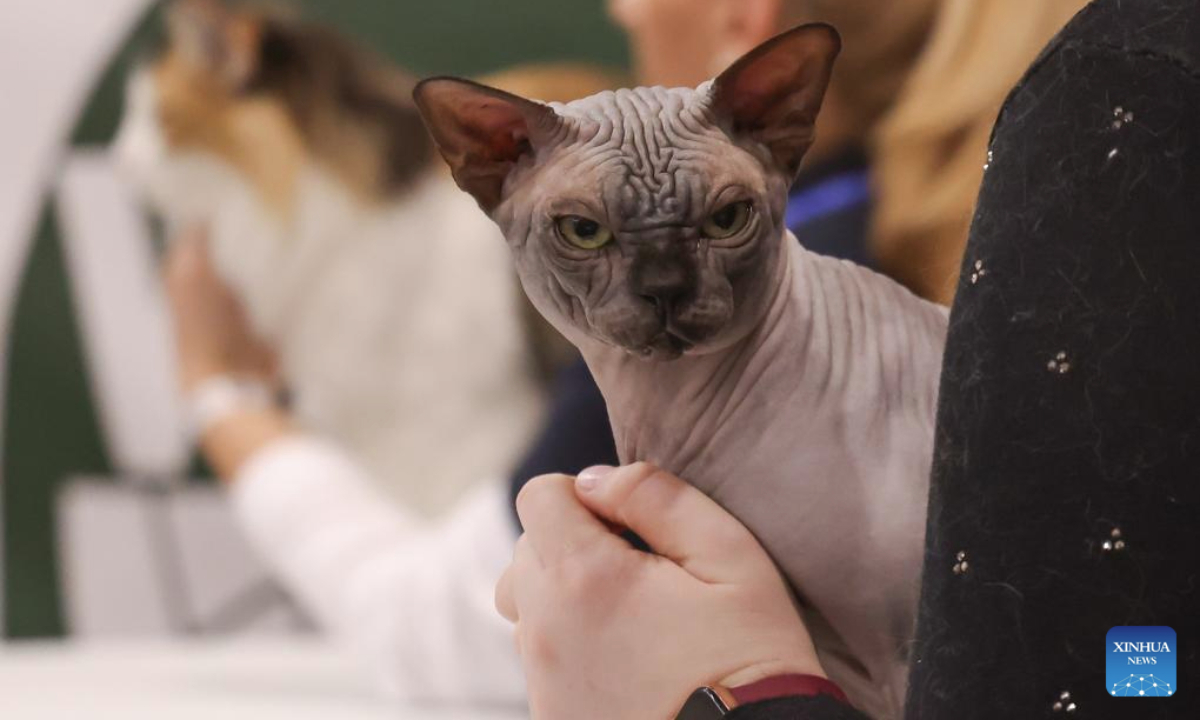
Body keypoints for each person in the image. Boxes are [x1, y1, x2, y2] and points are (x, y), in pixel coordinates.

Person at [496, 0, 1200, 718]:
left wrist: (744, 693)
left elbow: (1126, 669)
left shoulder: (1132, 85)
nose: (625, 9)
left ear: (747, 24)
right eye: (585, 231)